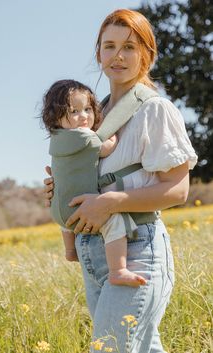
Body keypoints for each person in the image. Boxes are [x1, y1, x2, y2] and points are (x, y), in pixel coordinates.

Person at [44, 9, 198, 353]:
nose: (118, 56)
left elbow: (178, 189)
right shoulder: (91, 114)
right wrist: (62, 190)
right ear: (98, 52)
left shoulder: (154, 109)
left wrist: (110, 202)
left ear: (147, 53)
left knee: (109, 349)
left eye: (129, 46)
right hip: (94, 254)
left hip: (137, 248)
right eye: (109, 46)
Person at [41, 79, 146, 287]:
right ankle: (118, 270)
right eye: (74, 111)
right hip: (80, 207)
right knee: (115, 221)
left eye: (88, 109)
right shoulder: (84, 136)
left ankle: (70, 251)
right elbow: (107, 147)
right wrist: (113, 131)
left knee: (67, 221)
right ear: (56, 115)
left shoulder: (56, 139)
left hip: (59, 209)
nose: (84, 116)